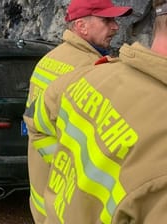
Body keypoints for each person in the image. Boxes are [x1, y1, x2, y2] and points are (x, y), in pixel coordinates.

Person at [30, 0, 167, 223]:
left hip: (52, 202)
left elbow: (34, 120)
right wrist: (73, 163)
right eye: (107, 20)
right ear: (82, 26)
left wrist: (69, 162)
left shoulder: (49, 58)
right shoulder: (87, 67)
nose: (115, 27)